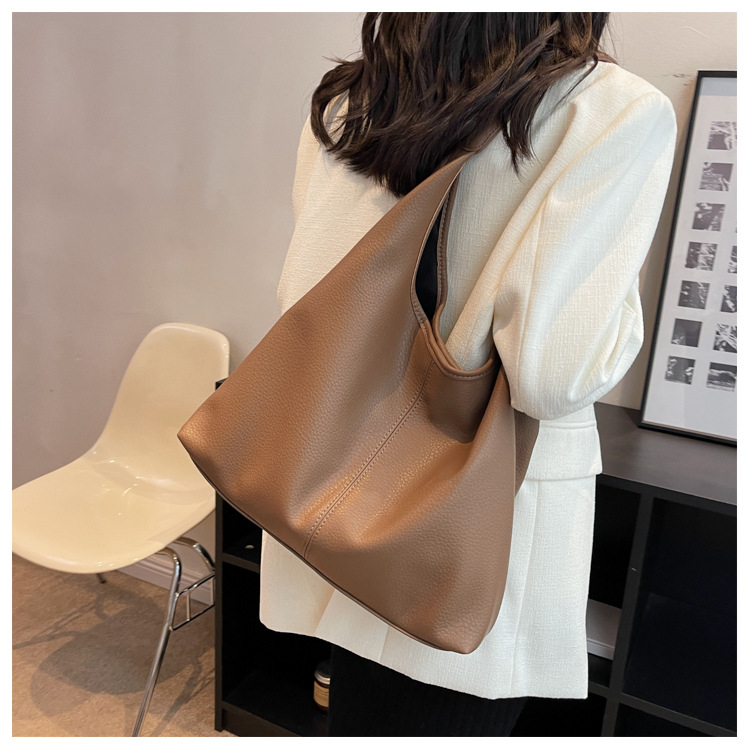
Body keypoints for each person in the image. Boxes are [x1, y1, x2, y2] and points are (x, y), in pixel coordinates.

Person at [259, 12, 676, 736]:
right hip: (478, 515)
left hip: (340, 476)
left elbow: (308, 297)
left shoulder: (354, 97)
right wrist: (622, 310)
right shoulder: (610, 109)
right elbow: (552, 373)